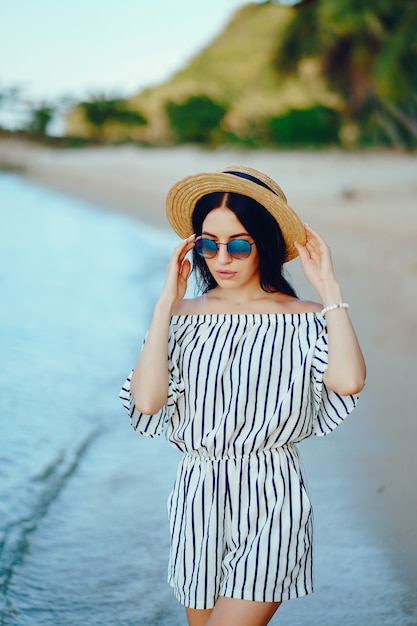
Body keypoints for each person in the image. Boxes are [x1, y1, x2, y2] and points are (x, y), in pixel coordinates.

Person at [119, 165, 366, 626]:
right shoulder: (180, 317)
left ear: (266, 244)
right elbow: (148, 402)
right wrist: (163, 305)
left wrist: (329, 288)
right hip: (197, 494)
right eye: (209, 244)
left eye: (238, 244)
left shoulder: (304, 317)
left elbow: (349, 381)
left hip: (272, 491)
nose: (222, 257)